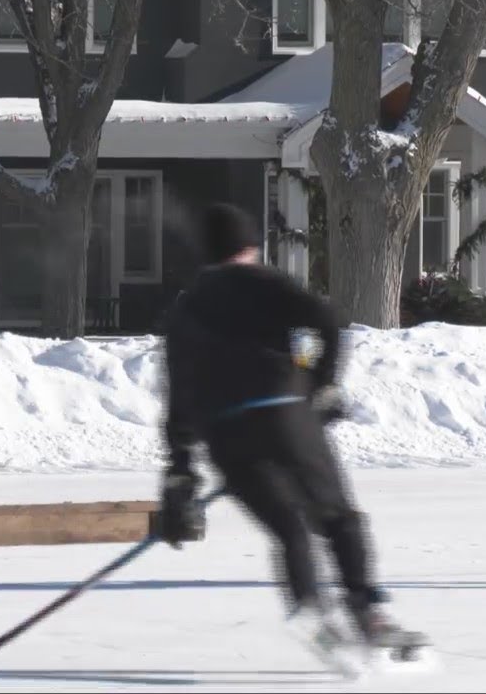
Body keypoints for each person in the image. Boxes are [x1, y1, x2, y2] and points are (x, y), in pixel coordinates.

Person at [154, 201, 414, 651]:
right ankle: (367, 611)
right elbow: (327, 322)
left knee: (288, 526)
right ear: (250, 246)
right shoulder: (266, 283)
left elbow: (179, 398)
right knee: (337, 517)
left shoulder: (187, 306)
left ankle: (309, 608)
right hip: (283, 412)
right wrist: (322, 385)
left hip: (225, 432)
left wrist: (181, 473)